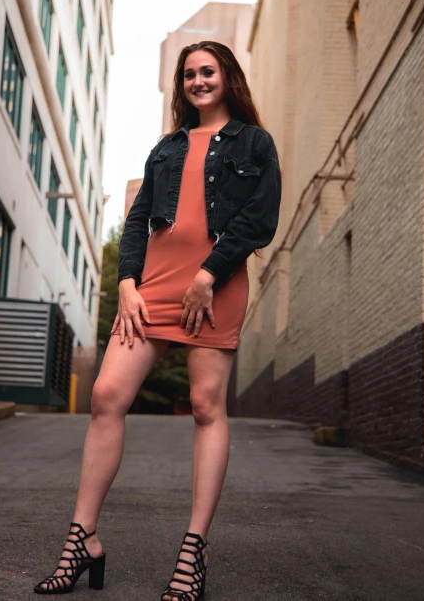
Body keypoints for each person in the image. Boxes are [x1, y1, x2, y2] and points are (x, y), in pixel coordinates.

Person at [34, 41, 282, 598]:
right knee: (106, 396)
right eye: (189, 74)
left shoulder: (253, 142)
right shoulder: (166, 148)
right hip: (154, 288)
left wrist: (208, 274)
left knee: (204, 407)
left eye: (208, 71)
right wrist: (125, 283)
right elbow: (140, 216)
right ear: (182, 85)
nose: (198, 80)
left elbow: (259, 219)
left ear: (227, 77)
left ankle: (193, 551)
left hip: (213, 287)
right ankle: (83, 539)